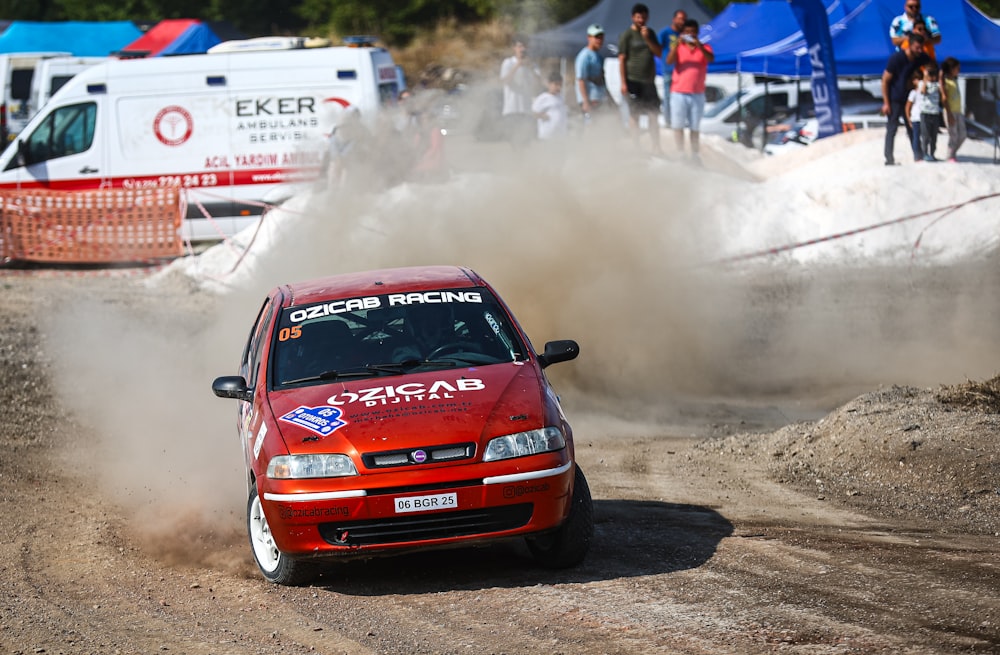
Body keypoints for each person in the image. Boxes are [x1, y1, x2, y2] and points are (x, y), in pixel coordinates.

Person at [665, 18, 714, 162]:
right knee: (678, 125)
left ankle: (694, 155)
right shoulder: (679, 47)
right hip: (679, 92)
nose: (689, 35)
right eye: (687, 32)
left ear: (697, 33)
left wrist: (699, 45)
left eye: (692, 32)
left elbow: (710, 59)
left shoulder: (705, 47)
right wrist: (676, 45)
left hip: (697, 93)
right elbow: (668, 61)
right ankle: (680, 153)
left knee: (694, 126)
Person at [618, 3, 663, 155]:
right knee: (634, 115)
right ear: (633, 17)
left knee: (653, 114)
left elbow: (658, 53)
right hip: (633, 80)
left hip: (649, 81)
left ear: (647, 17)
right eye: (638, 17)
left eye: (643, 17)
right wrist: (623, 83)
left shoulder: (650, 33)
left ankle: (656, 147)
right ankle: (636, 148)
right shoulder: (626, 35)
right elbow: (622, 59)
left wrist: (647, 39)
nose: (641, 20)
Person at [881, 32, 930, 166]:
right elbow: (885, 80)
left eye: (921, 48)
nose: (920, 51)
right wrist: (886, 102)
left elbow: (933, 68)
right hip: (895, 98)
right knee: (892, 128)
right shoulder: (896, 59)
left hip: (910, 98)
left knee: (912, 128)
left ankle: (918, 156)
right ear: (909, 45)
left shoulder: (921, 57)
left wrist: (923, 76)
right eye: (917, 48)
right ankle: (889, 159)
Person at [500, 36, 542, 143]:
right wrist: (518, 65)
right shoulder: (508, 63)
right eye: (519, 46)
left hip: (527, 111)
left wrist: (530, 68)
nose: (522, 49)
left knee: (525, 143)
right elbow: (505, 81)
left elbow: (539, 84)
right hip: (511, 110)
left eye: (525, 46)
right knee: (514, 143)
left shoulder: (532, 65)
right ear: (514, 48)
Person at [658, 9, 687, 128]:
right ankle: (668, 121)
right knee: (668, 97)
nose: (682, 22)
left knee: (681, 98)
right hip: (669, 69)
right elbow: (657, 47)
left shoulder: (685, 34)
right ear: (674, 19)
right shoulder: (665, 32)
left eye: (684, 19)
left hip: (682, 71)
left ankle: (679, 120)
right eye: (680, 19)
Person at [575, 24, 607, 119]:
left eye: (601, 37)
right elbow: (581, 79)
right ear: (589, 37)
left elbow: (601, 78)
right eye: (596, 37)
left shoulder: (598, 55)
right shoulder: (584, 56)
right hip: (590, 98)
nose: (599, 40)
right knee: (590, 126)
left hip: (599, 97)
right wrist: (585, 101)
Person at [941, 57, 966, 163]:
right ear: (951, 69)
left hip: (958, 111)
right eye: (957, 68)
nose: (959, 70)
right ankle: (950, 155)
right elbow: (944, 99)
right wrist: (949, 114)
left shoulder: (955, 80)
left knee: (963, 134)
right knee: (953, 134)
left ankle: (953, 152)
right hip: (949, 112)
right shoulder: (945, 82)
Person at [532, 71, 569, 140]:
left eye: (560, 85)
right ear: (549, 84)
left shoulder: (561, 97)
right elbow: (532, 113)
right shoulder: (543, 98)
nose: (558, 87)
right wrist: (542, 116)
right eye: (556, 84)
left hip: (560, 137)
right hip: (547, 137)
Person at [918, 61, 942, 162]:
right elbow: (923, 91)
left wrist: (940, 77)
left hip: (935, 113)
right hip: (925, 113)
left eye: (933, 73)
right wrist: (925, 77)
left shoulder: (938, 84)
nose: (932, 76)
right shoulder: (922, 83)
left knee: (934, 136)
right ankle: (925, 154)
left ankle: (932, 153)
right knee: (926, 135)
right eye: (930, 73)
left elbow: (943, 93)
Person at [904, 70, 924, 162]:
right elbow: (907, 107)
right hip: (916, 118)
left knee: (924, 137)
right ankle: (917, 155)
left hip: (924, 117)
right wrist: (909, 119)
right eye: (917, 79)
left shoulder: (924, 92)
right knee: (916, 137)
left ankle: (923, 154)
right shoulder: (913, 93)